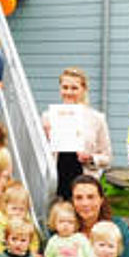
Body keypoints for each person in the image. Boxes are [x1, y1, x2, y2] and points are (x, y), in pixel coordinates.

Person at [42, 67, 112, 200]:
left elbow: (107, 158)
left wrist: (90, 158)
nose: (69, 92)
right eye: (65, 87)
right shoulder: (48, 117)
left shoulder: (96, 118)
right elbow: (38, 156)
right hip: (56, 183)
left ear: (84, 89)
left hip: (84, 185)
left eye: (74, 88)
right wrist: (45, 136)